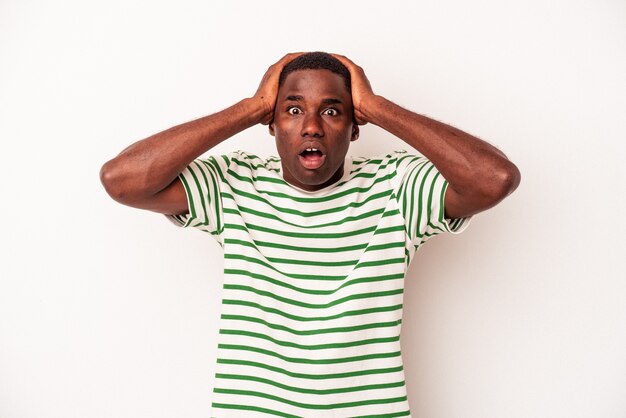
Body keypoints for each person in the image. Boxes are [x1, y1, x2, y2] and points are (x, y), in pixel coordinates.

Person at [101, 51, 520, 417]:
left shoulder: (395, 186)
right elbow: (122, 181)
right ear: (272, 124)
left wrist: (377, 107)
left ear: (356, 128)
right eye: (294, 109)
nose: (313, 126)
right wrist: (249, 107)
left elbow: (495, 179)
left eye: (334, 111)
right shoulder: (235, 184)